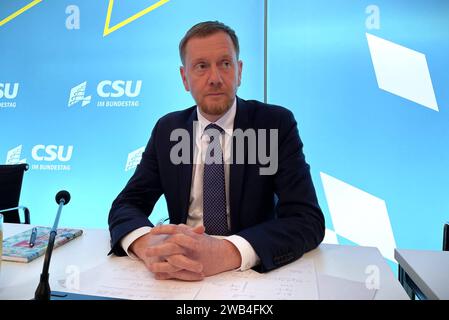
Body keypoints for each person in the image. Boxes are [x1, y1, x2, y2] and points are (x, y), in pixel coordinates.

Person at [108, 21, 325, 281]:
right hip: (178, 274)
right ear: (184, 78)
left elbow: (306, 219)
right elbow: (127, 204)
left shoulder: (274, 124)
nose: (215, 78)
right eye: (201, 66)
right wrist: (147, 246)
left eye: (225, 63)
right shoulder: (168, 129)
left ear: (239, 71)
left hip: (250, 274)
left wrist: (225, 252)